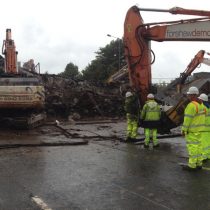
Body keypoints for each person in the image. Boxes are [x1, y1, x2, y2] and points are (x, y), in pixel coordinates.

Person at [181, 86, 206, 171]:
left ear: (192, 95)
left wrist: (184, 130)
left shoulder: (191, 105)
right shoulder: (201, 104)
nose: (188, 96)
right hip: (200, 130)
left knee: (192, 148)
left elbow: (187, 119)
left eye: (189, 95)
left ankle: (192, 165)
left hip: (192, 131)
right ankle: (199, 164)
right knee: (198, 147)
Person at [198, 93, 210, 162]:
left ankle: (204, 156)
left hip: (204, 128)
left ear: (202, 100)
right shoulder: (209, 107)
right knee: (208, 142)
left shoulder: (203, 107)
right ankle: (208, 155)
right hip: (208, 128)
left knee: (204, 143)